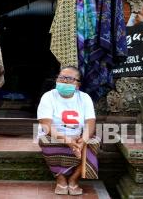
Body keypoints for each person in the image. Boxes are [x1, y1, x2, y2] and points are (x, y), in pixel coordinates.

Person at [37, 66, 100, 195]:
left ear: (78, 85)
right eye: (61, 77)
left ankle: (73, 179)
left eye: (69, 79)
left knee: (93, 143)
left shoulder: (85, 98)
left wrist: (82, 141)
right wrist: (67, 141)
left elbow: (90, 123)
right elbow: (46, 126)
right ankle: (60, 178)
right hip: (53, 135)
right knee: (46, 141)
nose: (64, 81)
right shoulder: (48, 96)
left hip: (77, 135)